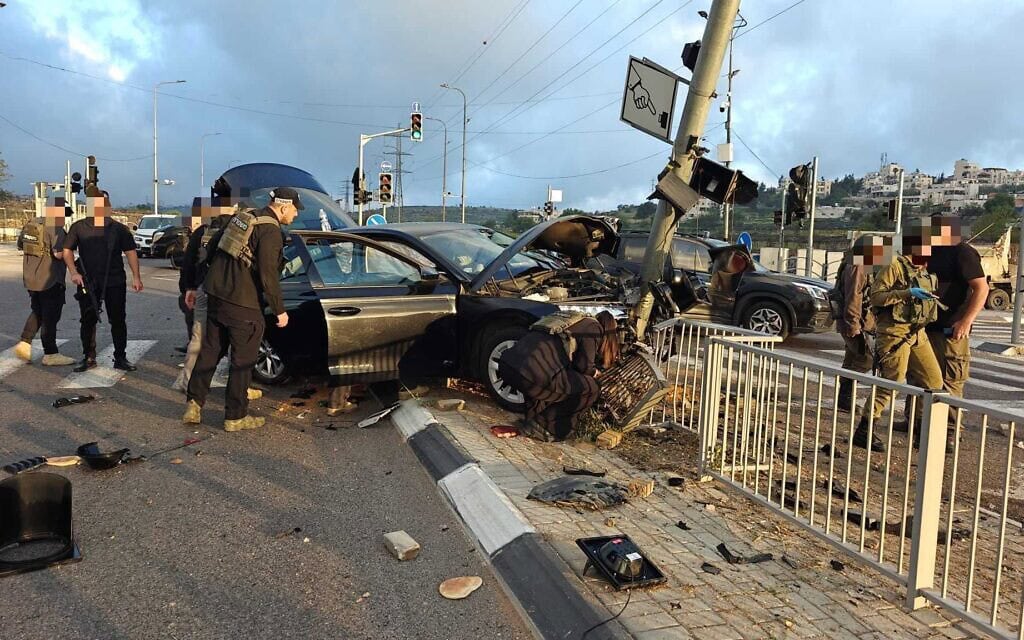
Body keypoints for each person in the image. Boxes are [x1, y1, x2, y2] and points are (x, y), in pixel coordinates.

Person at [183, 187, 301, 432]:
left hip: (217, 294)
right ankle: (236, 416)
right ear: (283, 206)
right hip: (243, 302)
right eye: (295, 209)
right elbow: (268, 273)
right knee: (242, 362)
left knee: (211, 351)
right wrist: (279, 310)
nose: (296, 215)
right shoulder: (270, 231)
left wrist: (198, 284)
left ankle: (194, 404)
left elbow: (213, 248)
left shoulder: (244, 217)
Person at [857, 218, 944, 452]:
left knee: (933, 382)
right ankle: (865, 429)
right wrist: (907, 293)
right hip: (894, 332)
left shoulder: (922, 270)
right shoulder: (894, 265)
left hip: (917, 331)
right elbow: (876, 297)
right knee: (891, 383)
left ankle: (920, 432)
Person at [497, 311, 621, 441]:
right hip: (532, 376)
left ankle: (534, 419)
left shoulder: (571, 320)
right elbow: (584, 366)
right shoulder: (593, 328)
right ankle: (546, 428)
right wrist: (594, 372)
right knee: (592, 387)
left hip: (507, 366)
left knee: (553, 374)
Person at [62, 193, 143, 372]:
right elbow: (67, 250)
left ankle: (120, 357)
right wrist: (73, 272)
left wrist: (136, 276)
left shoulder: (119, 229)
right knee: (87, 320)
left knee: (118, 319)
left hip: (115, 280)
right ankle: (88, 357)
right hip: (87, 281)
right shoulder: (79, 227)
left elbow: (131, 252)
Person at [172, 196, 239, 393]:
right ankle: (240, 386)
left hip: (204, 289)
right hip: (232, 293)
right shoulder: (240, 230)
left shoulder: (203, 232)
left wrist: (189, 288)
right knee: (238, 340)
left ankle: (186, 381)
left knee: (198, 337)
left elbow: (189, 262)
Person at [925, 214, 988, 399]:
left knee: (950, 380)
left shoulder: (962, 252)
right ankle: (918, 423)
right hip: (926, 325)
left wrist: (966, 321)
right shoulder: (928, 250)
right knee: (922, 378)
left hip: (951, 328)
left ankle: (949, 427)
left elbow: (981, 287)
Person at [14, 197, 75, 366]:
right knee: (50, 317)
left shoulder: (31, 224)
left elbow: (21, 245)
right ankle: (51, 353)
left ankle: (24, 344)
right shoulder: (56, 229)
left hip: (31, 278)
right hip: (50, 279)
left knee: (38, 312)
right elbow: (58, 254)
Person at [833, 235, 886, 411]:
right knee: (865, 359)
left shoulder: (855, 263)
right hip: (857, 321)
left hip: (855, 319)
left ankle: (844, 399)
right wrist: (853, 323)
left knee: (852, 357)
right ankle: (846, 397)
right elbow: (854, 295)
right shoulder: (858, 266)